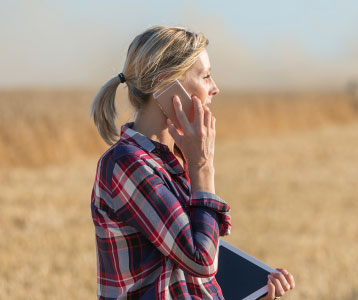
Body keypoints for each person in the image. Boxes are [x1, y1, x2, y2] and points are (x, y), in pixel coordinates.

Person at [90, 26, 294, 300]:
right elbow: (202, 261)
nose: (215, 88)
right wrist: (202, 167)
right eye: (206, 76)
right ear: (167, 86)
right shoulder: (126, 164)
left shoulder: (173, 159)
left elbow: (187, 277)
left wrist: (256, 294)